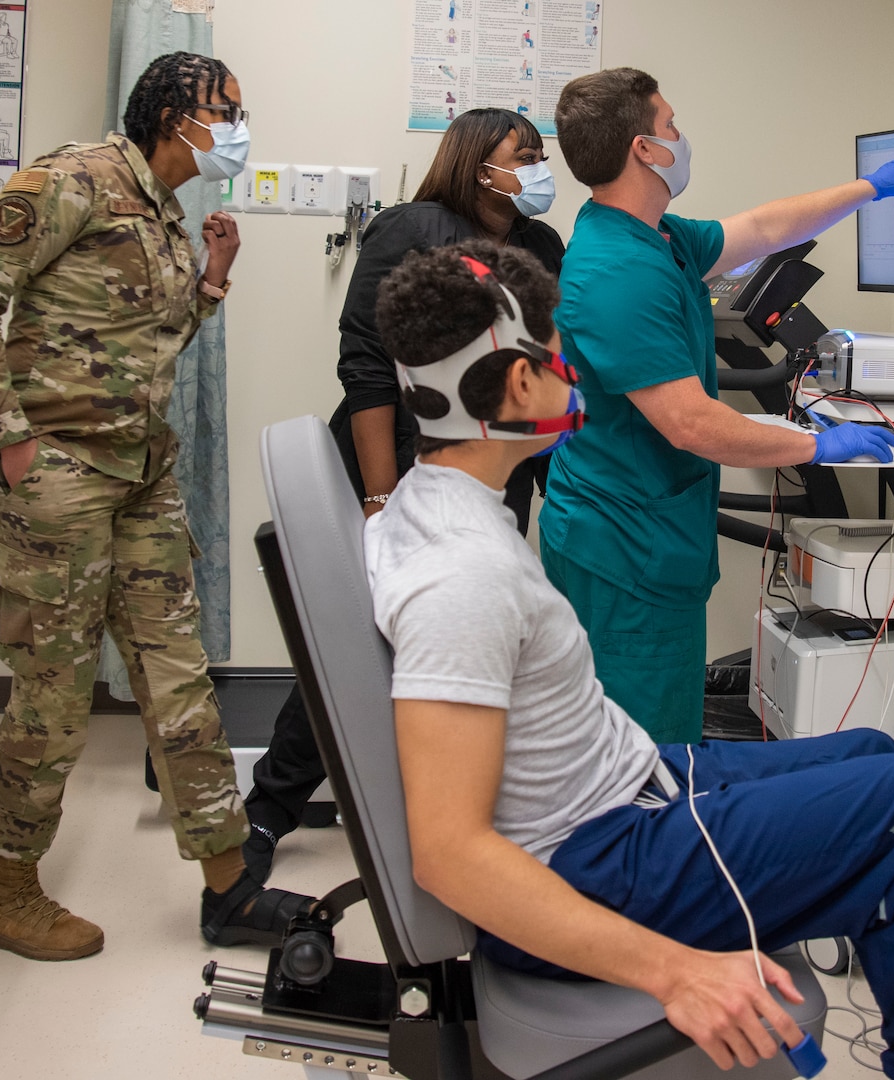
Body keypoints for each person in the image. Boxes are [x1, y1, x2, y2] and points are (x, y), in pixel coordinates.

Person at [365, 240, 894, 1080]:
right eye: (563, 355)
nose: (578, 375)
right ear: (519, 379)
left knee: (871, 752)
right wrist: (674, 971)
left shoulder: (430, 507)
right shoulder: (464, 575)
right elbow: (450, 853)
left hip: (617, 790)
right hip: (596, 860)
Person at [0, 51, 315, 962]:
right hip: (56, 478)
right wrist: (10, 431)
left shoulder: (167, 216)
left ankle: (229, 887)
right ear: (176, 112)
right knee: (55, 698)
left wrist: (214, 277)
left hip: (139, 473)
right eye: (228, 108)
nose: (238, 124)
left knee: (180, 679)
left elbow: (150, 336)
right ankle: (5, 890)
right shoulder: (75, 181)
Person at [540, 67, 894, 745]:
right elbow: (690, 423)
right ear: (644, 150)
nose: (680, 136)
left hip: (648, 532)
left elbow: (761, 227)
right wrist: (816, 444)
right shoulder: (615, 273)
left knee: (653, 740)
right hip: (624, 552)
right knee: (643, 762)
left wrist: (872, 187)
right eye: (671, 126)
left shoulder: (656, 238)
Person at [242, 108, 563, 883]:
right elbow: (367, 366)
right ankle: (266, 810)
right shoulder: (412, 226)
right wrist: (381, 499)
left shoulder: (543, 244)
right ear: (477, 163)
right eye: (522, 154)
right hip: (394, 456)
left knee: (474, 631)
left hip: (494, 466)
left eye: (539, 153)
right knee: (364, 634)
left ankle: (459, 811)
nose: (536, 166)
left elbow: (542, 361)